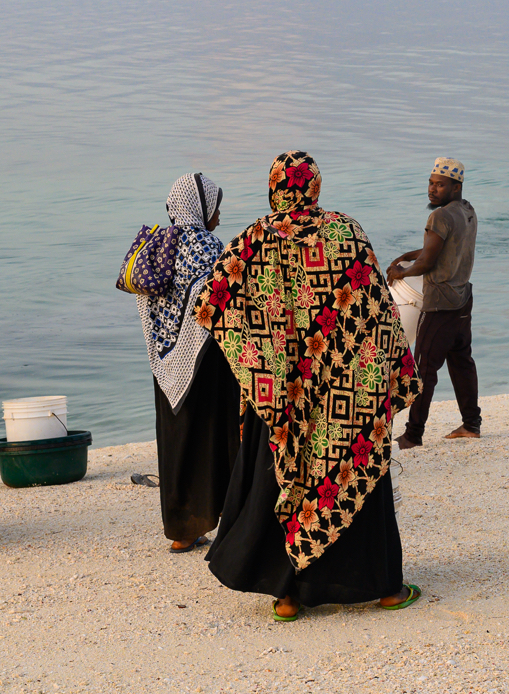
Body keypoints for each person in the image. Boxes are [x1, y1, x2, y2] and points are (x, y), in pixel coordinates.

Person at [198, 151, 423, 621]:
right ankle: (384, 589)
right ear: (315, 188)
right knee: (355, 475)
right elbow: (378, 313)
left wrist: (262, 365)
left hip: (282, 397)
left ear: (274, 188)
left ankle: (286, 595)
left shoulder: (254, 239)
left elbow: (212, 304)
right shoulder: (346, 232)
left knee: (283, 477)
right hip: (347, 396)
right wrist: (388, 374)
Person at [136, 173, 241, 553]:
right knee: (217, 438)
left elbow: (147, 302)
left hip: (164, 361)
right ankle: (228, 521)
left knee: (177, 438)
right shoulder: (207, 245)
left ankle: (183, 530)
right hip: (206, 358)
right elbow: (224, 301)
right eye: (215, 207)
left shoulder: (156, 244)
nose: (218, 216)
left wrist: (166, 345)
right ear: (200, 206)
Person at [387, 157, 481, 448]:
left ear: (456, 186)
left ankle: (413, 435)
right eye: (431, 183)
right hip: (462, 298)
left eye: (440, 185)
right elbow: (442, 248)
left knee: (424, 370)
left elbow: (429, 260)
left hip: (439, 303)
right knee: (461, 361)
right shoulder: (467, 211)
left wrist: (400, 272)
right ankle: (471, 424)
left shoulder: (439, 217)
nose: (432, 189)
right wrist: (409, 254)